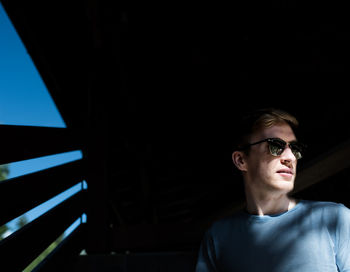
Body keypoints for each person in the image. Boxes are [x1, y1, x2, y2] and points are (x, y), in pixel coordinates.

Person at [195, 108, 350, 272]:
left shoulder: (335, 219)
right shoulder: (218, 237)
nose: (290, 157)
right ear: (241, 160)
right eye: (275, 146)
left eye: (295, 149)